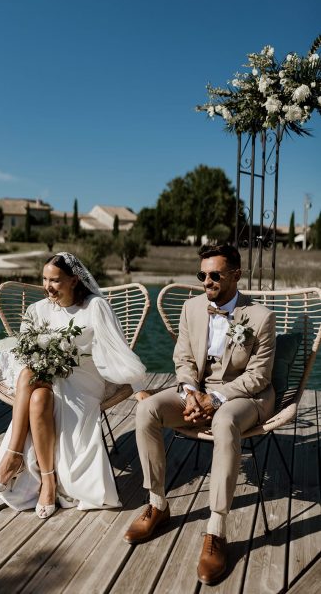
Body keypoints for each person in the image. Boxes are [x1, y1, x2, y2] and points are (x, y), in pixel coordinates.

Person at [124, 244, 276, 585]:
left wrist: (216, 398)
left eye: (215, 275)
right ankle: (157, 504)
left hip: (245, 395)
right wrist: (191, 393)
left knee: (223, 420)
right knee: (148, 408)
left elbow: (259, 376)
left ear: (236, 275)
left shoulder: (261, 317)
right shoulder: (192, 307)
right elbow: (184, 360)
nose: (207, 280)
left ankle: (217, 529)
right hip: (199, 391)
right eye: (202, 274)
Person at [0, 252, 146, 518]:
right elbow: (23, 354)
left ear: (74, 280)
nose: (48, 286)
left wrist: (139, 388)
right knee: (33, 388)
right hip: (45, 378)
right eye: (45, 279)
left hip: (84, 379)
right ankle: (46, 481)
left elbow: (119, 349)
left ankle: (14, 459)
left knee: (31, 383)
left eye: (55, 280)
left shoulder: (94, 307)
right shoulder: (37, 310)